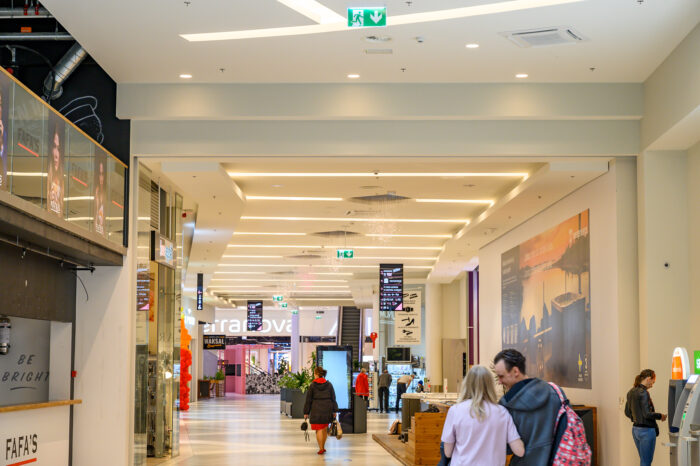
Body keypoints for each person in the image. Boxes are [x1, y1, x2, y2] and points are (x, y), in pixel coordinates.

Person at [493, 349, 565, 465]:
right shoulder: (555, 392)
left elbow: (507, 448)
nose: (499, 382)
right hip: (557, 461)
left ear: (515, 371)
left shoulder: (506, 405)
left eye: (501, 376)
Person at [441, 365, 524, 465]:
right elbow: (519, 451)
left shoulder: (455, 411)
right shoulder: (502, 412)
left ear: (467, 384)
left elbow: (447, 452)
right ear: (490, 385)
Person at [625, 369, 667, 466]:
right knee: (646, 462)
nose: (652, 385)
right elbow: (647, 414)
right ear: (648, 379)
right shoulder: (643, 392)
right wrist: (660, 416)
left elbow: (627, 412)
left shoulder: (631, 391)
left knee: (643, 461)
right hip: (647, 431)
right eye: (653, 382)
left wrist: (636, 418)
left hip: (635, 430)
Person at [304, 367, 338, 455]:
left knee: (318, 429)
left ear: (316, 374)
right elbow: (333, 398)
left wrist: (306, 412)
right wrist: (334, 410)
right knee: (324, 428)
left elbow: (308, 400)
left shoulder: (312, 385)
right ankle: (323, 447)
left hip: (316, 409)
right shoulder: (329, 384)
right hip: (327, 408)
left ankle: (321, 448)